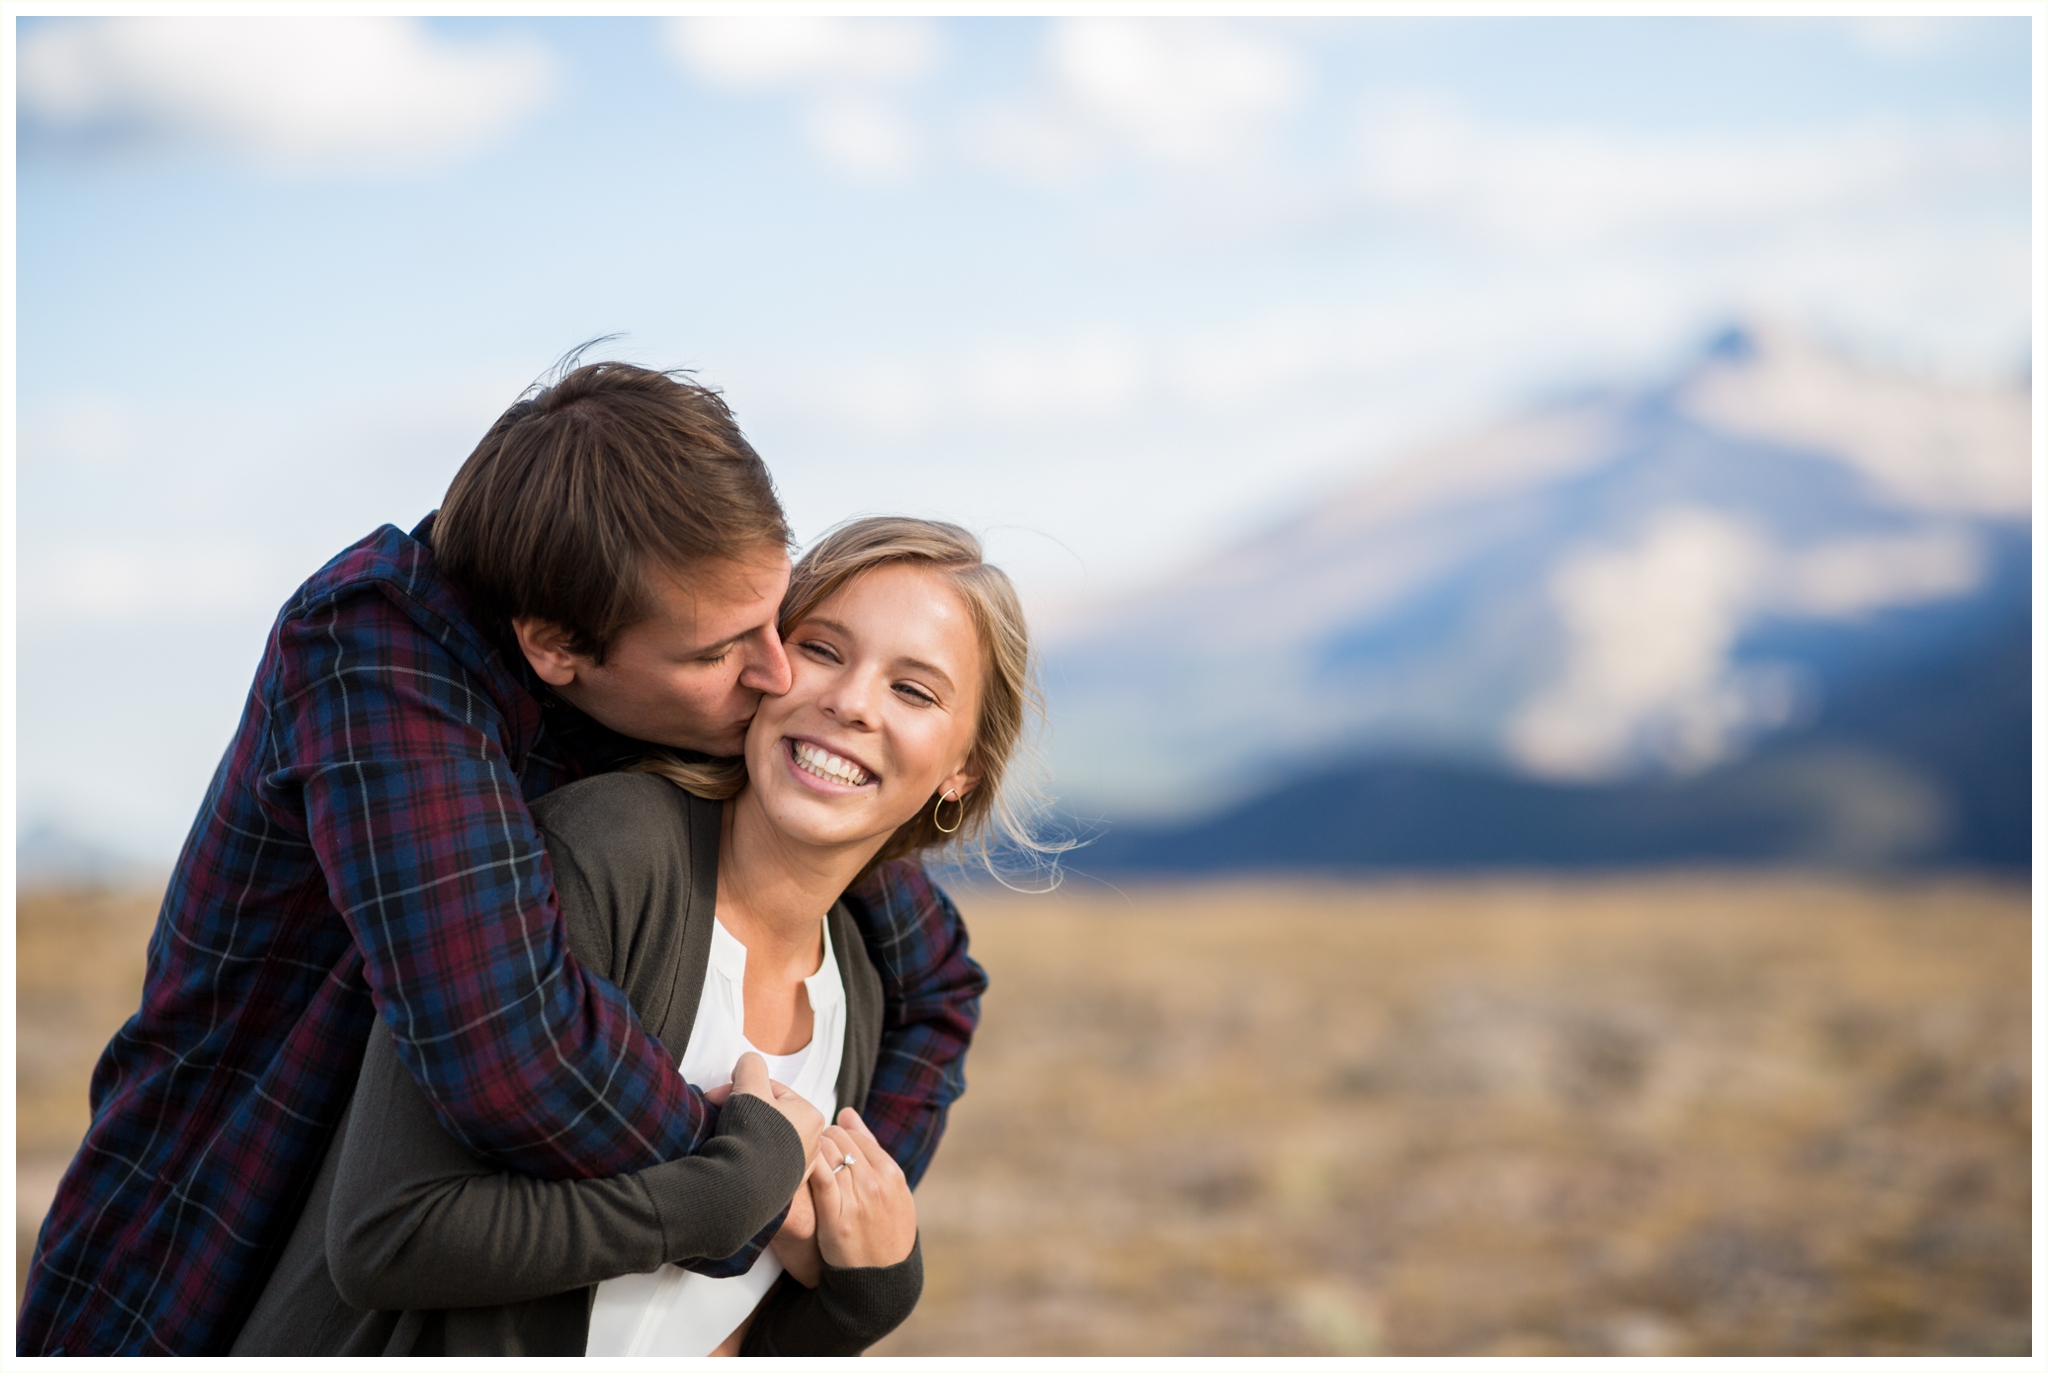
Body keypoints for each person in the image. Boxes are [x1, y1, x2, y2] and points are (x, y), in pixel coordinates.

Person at [18, 362, 988, 1356]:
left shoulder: (679, 642)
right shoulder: (375, 660)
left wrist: (849, 1212)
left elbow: (935, 976)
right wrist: (757, 1181)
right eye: (719, 650)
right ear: (555, 647)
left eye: (773, 619)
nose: (776, 673)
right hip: (205, 1232)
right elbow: (515, 1052)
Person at [230, 517, 1036, 1356]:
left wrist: (864, 1298)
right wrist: (723, 1197)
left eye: (914, 690)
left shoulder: (859, 992)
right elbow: (390, 1236)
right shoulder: (605, 851)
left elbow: (718, 1336)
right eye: (824, 649)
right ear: (765, 660)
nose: (851, 700)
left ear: (962, 768)